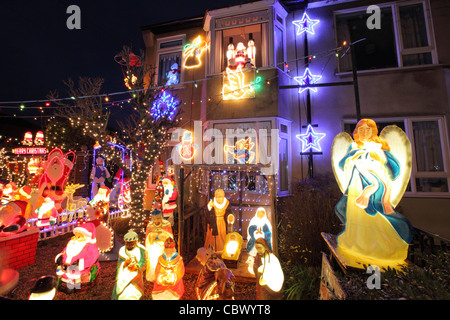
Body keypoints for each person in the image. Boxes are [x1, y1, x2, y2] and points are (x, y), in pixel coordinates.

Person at [334, 119, 413, 263]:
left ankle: (378, 246)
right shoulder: (353, 147)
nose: (364, 132)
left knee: (372, 218)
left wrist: (377, 160)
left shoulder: (379, 147)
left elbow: (393, 170)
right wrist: (353, 157)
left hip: (373, 186)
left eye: (367, 129)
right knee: (354, 215)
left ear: (373, 131)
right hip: (356, 186)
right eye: (361, 129)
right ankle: (356, 241)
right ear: (357, 131)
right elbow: (342, 164)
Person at [55, 222, 100, 293]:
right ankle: (63, 285)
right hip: (66, 266)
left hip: (78, 269)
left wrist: (81, 264)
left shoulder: (90, 247)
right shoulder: (72, 243)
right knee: (65, 274)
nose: (76, 238)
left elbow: (93, 257)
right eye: (76, 236)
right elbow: (64, 251)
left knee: (74, 277)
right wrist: (60, 257)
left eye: (79, 236)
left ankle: (72, 287)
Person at [112, 230, 147, 300]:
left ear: (136, 242)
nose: (129, 245)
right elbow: (119, 264)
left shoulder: (140, 250)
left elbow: (144, 262)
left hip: (135, 276)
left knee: (132, 293)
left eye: (131, 243)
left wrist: (137, 266)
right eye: (127, 243)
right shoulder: (122, 250)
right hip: (124, 274)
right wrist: (125, 264)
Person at [145, 209, 173, 282]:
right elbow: (148, 238)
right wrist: (153, 236)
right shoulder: (150, 226)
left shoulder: (166, 224)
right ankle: (154, 275)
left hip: (163, 247)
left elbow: (170, 237)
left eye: (158, 218)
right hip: (154, 247)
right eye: (155, 219)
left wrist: (163, 236)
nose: (157, 221)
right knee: (154, 261)